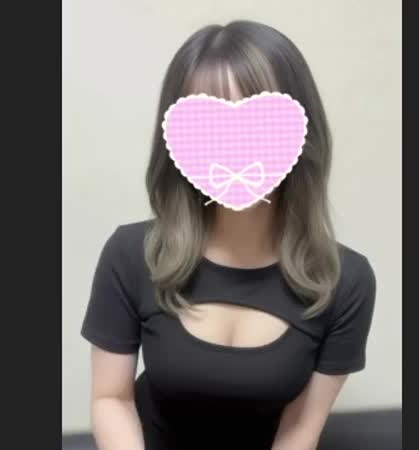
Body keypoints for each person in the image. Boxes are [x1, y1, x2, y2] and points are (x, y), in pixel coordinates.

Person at [81, 20, 377, 450]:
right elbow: (112, 399)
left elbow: (300, 429)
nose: (235, 145)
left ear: (300, 133)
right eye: (209, 127)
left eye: (259, 123)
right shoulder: (131, 254)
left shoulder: (346, 280)